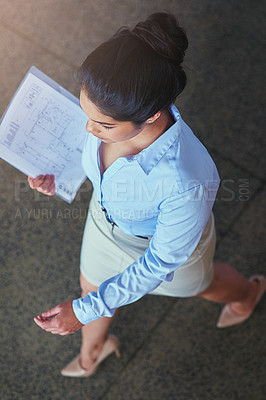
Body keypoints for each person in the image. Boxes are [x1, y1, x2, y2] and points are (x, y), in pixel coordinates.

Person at [28, 12, 265, 378]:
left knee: (206, 285)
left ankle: (248, 293)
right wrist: (57, 176)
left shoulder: (187, 180)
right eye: (86, 112)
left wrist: (83, 311)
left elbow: (159, 263)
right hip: (106, 223)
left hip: (167, 252)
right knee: (91, 288)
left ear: (152, 116)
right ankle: (93, 351)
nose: (89, 129)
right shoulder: (108, 111)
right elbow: (92, 157)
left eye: (103, 125)